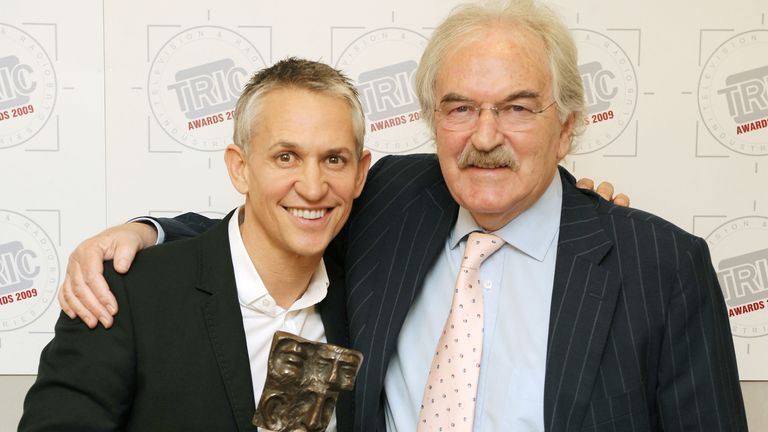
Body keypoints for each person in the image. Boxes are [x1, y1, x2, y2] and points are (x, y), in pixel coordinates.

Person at [57, 0, 748, 431]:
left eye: (516, 107)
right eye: (459, 108)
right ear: (429, 121)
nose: (483, 137)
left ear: (566, 127)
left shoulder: (661, 268)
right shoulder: (391, 197)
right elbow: (286, 212)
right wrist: (144, 235)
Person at [19, 58, 371, 431]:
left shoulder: (367, 299)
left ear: (360, 172)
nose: (313, 187)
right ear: (240, 168)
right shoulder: (120, 295)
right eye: (286, 157)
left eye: (334, 159)